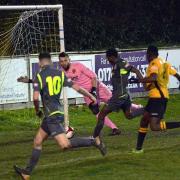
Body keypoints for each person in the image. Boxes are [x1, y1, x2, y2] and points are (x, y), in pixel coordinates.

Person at [14, 52, 106, 180]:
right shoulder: (59, 73)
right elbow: (78, 88)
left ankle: (94, 141)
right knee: (38, 141)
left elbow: (35, 98)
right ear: (50, 62)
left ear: (40, 63)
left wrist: (37, 111)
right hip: (55, 114)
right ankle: (26, 173)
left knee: (65, 145)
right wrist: (91, 95)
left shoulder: (39, 76)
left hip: (52, 116)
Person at [130, 45, 180, 153]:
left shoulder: (153, 63)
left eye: (146, 55)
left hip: (158, 97)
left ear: (149, 54)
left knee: (154, 126)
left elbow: (153, 77)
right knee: (144, 121)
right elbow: (176, 74)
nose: (146, 57)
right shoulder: (165, 63)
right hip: (157, 97)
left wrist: (139, 80)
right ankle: (138, 149)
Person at [93, 48, 145, 142]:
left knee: (101, 115)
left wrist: (143, 82)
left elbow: (136, 70)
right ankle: (146, 110)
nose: (107, 60)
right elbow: (131, 72)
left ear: (112, 57)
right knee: (128, 115)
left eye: (108, 58)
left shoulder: (120, 64)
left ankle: (95, 138)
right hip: (125, 94)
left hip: (118, 96)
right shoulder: (119, 63)